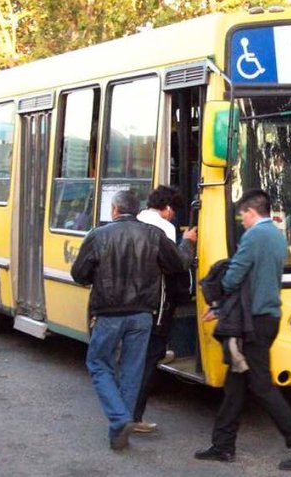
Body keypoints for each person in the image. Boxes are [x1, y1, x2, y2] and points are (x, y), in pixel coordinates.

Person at [194, 189, 291, 471]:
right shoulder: (276, 235)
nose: (242, 221)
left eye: (242, 216)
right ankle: (222, 445)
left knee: (261, 386)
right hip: (267, 316)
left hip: (253, 322)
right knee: (235, 384)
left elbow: (234, 277)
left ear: (251, 212)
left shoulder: (254, 236)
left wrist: (217, 298)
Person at [70, 190, 196, 451]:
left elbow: (79, 275)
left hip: (107, 314)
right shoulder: (154, 235)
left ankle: (120, 419)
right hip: (142, 315)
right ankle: (120, 431)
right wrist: (188, 242)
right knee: (132, 370)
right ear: (135, 210)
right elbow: (180, 263)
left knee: (98, 364)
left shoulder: (98, 235)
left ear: (115, 210)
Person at [133, 186, 190, 433]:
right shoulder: (164, 229)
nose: (173, 216)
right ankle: (132, 416)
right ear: (167, 209)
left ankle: (126, 414)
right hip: (155, 306)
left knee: (133, 359)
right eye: (173, 211)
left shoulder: (134, 221)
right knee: (148, 360)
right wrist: (187, 243)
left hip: (129, 303)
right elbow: (176, 264)